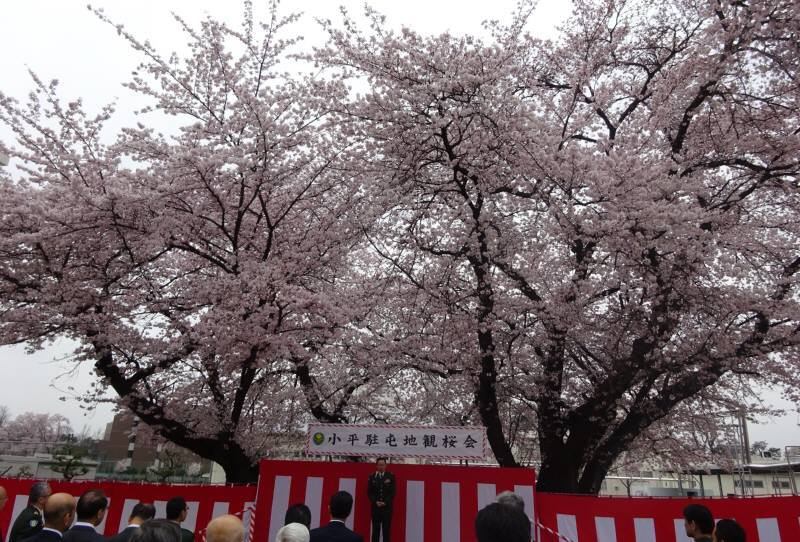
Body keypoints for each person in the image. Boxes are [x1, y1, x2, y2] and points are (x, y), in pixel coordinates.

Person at [366, 458, 395, 542]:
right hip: (376, 509)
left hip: (387, 509)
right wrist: (375, 502)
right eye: (379, 465)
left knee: (386, 532)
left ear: (386, 466)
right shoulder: (372, 476)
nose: (381, 467)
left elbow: (392, 492)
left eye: (383, 465)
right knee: (375, 531)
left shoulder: (391, 476)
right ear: (376, 466)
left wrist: (385, 502)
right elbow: (369, 492)